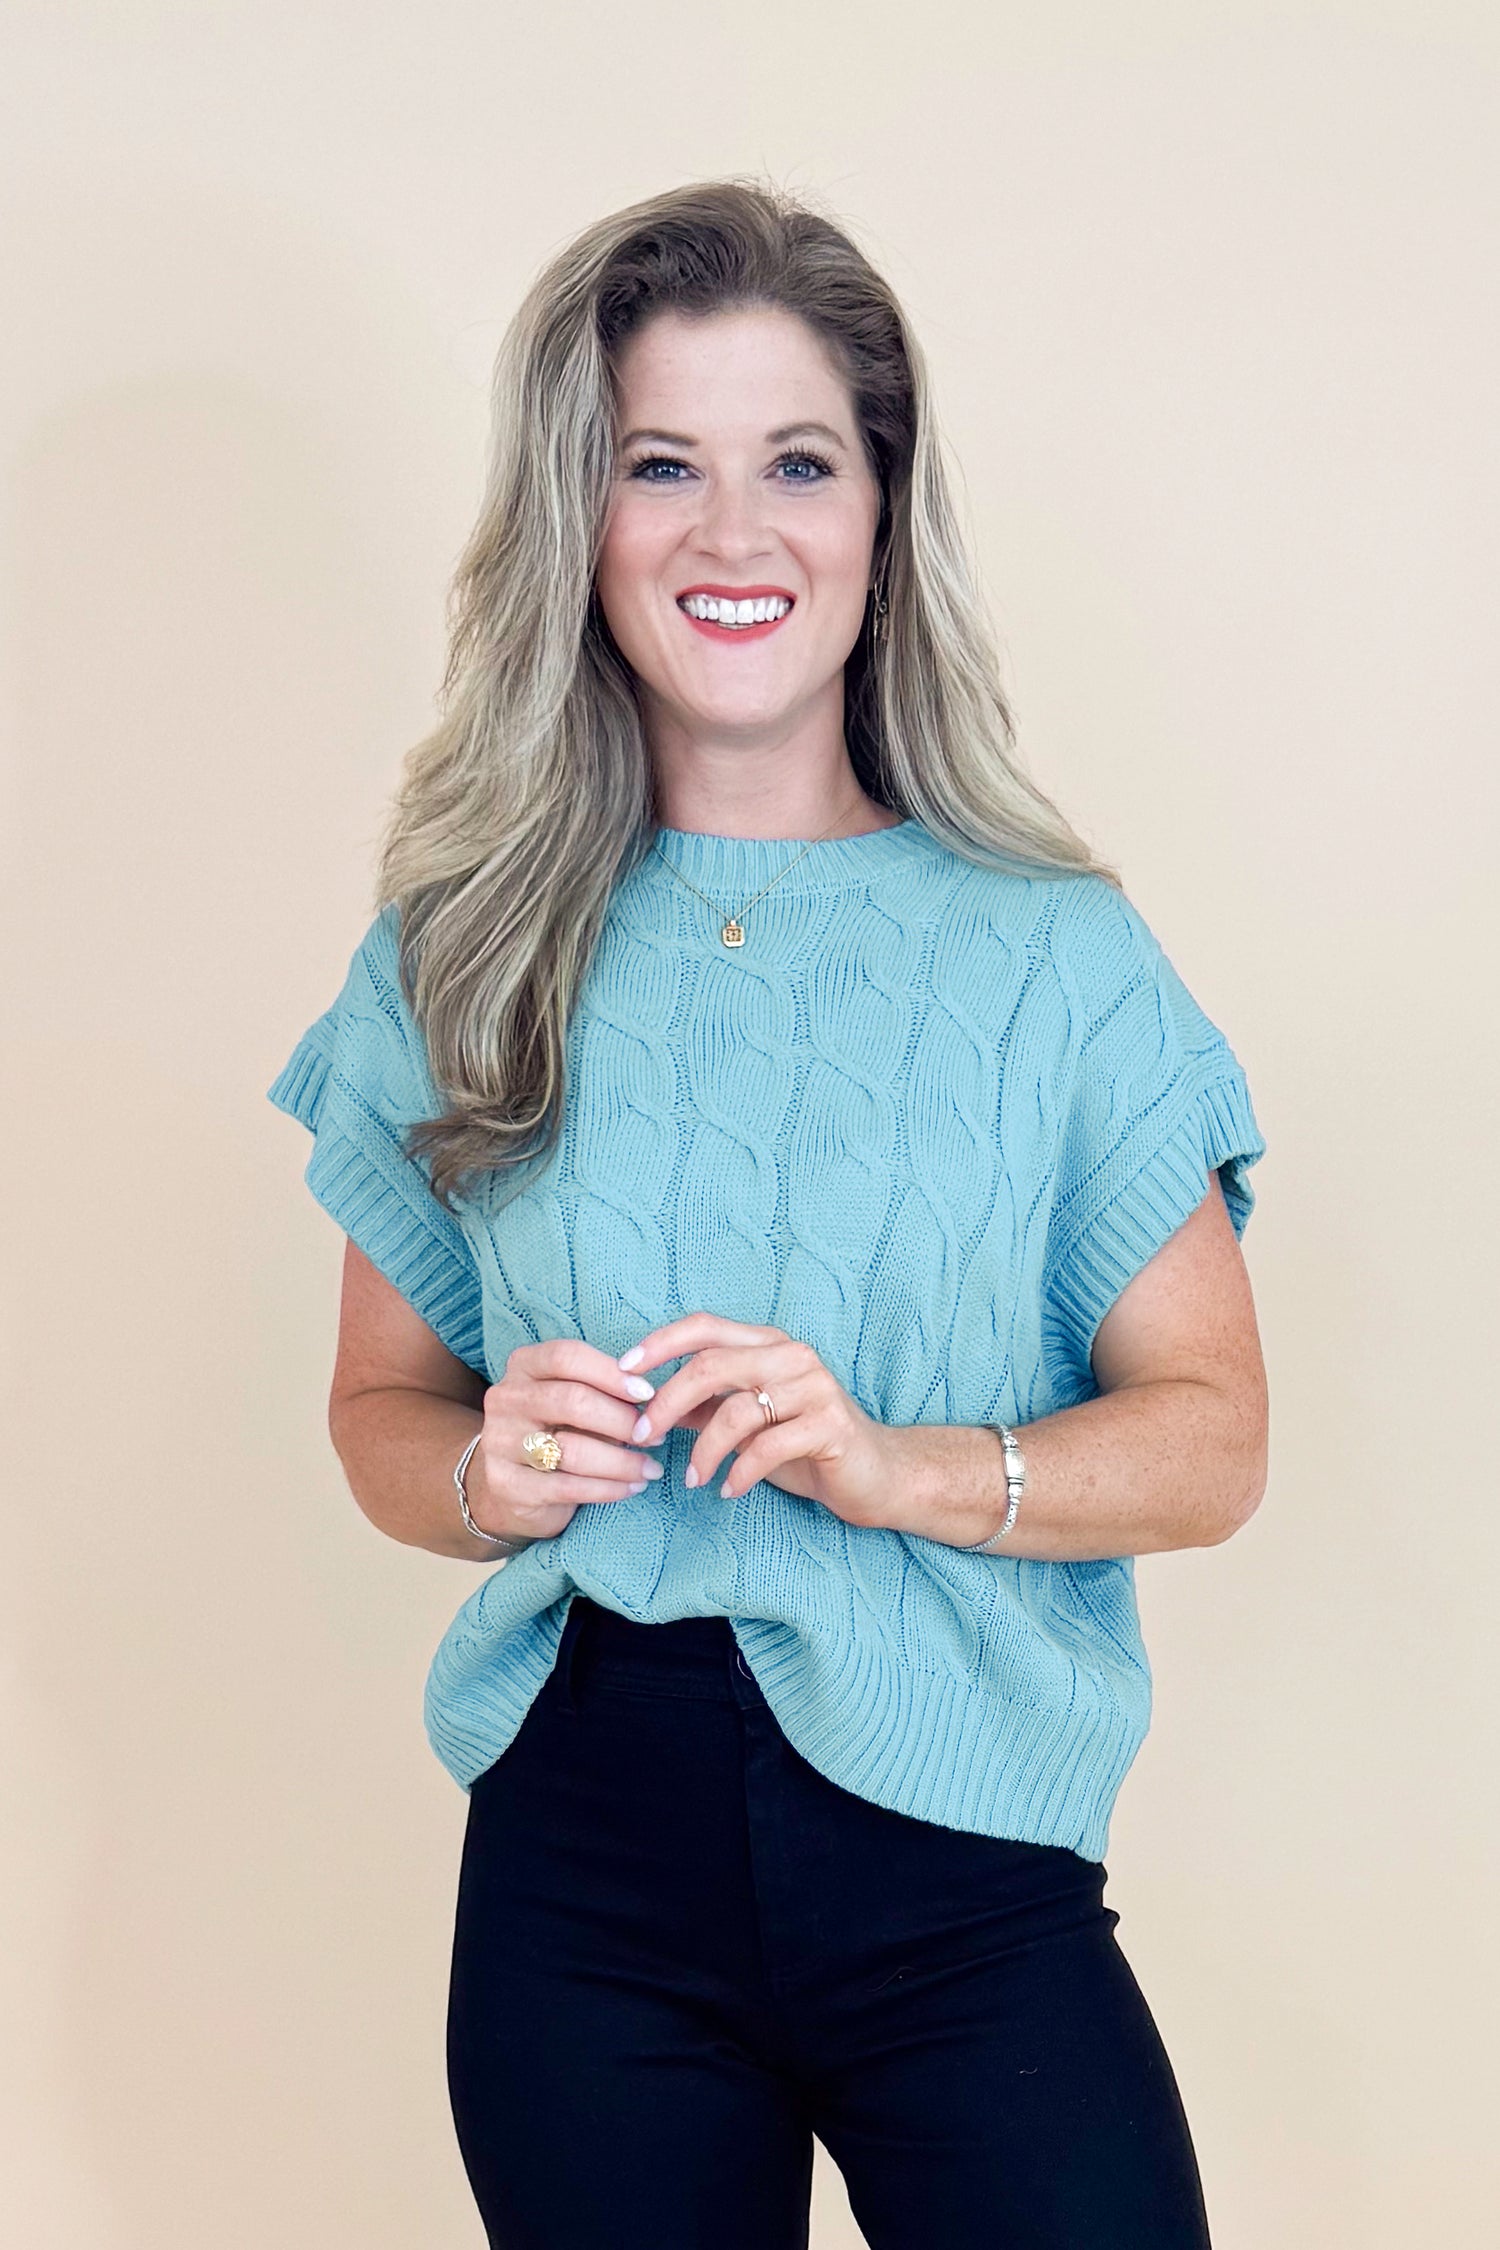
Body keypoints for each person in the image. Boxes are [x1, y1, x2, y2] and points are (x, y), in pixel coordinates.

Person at [266, 177, 1268, 2250]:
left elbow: (1214, 1434)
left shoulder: (1051, 955)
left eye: (797, 463)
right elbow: (379, 1409)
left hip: (965, 1871)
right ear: (584, 522)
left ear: (881, 517)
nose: (736, 535)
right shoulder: (463, 946)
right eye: (661, 467)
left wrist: (896, 1465)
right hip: (585, 1871)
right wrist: (484, 1471)